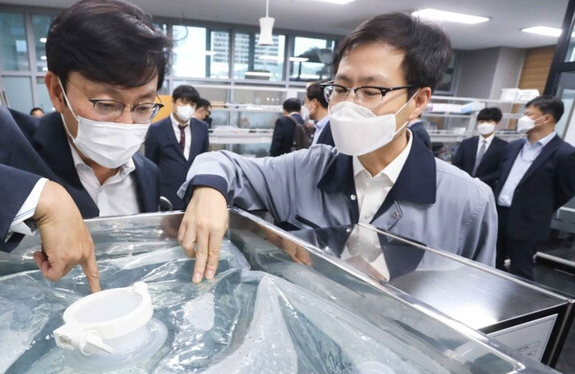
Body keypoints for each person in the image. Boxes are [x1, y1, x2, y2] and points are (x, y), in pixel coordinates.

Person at [176, 12, 498, 284]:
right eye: (341, 88)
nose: (348, 106)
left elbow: (477, 305)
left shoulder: (468, 204)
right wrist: (208, 191)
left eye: (371, 91)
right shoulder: (307, 169)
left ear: (418, 102)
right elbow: (222, 163)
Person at [0, 0, 170, 292]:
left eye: (144, 106)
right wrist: (41, 197)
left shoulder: (147, 174)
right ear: (58, 92)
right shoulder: (3, 136)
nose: (126, 124)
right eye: (106, 104)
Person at [495, 96, 575, 280]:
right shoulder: (513, 147)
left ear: (546, 118)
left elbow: (565, 190)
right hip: (499, 215)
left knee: (520, 271)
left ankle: (517, 307)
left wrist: (538, 208)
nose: (524, 118)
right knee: (492, 264)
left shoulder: (564, 153)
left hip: (528, 222)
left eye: (529, 114)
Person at [144, 85, 210, 210]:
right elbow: (150, 165)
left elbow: (203, 160)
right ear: (173, 102)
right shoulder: (156, 129)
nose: (188, 107)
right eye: (184, 102)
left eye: (192, 104)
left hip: (193, 195)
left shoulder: (202, 128)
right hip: (166, 195)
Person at [452, 107, 508, 191]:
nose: (484, 125)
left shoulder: (503, 146)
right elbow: (456, 163)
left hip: (487, 187)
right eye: (481, 122)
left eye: (489, 122)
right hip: (463, 184)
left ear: (497, 123)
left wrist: (480, 180)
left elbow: (500, 170)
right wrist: (466, 178)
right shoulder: (467, 143)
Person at [305, 82, 334, 147]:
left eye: (306, 102)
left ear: (314, 103)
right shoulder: (318, 127)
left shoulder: (333, 129)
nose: (306, 106)